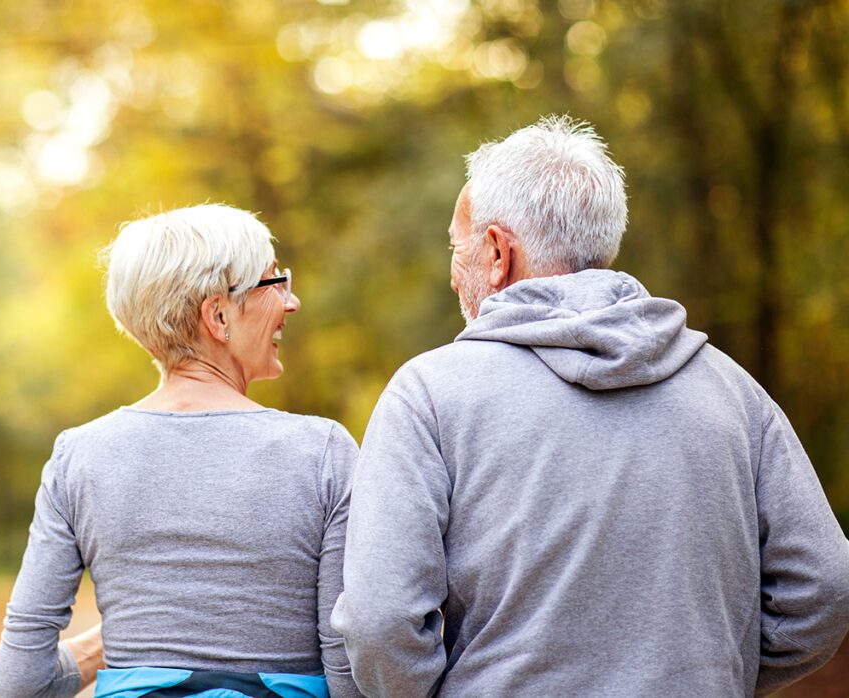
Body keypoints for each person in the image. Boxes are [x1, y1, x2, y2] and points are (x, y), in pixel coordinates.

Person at [331, 115, 849, 697]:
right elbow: (824, 588)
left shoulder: (428, 393)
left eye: (458, 248)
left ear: (498, 252)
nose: (455, 278)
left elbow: (380, 622)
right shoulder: (731, 389)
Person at [0, 204, 363, 698]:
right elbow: (351, 672)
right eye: (275, 283)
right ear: (218, 315)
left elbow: (22, 682)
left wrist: (139, 647)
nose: (291, 302)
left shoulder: (79, 457)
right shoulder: (323, 452)